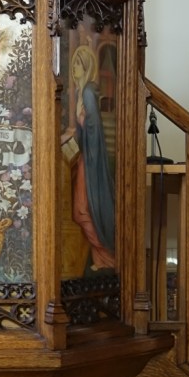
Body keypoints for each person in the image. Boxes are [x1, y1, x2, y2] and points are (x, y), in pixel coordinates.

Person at [68, 44, 116, 272]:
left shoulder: (88, 92)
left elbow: (93, 126)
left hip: (91, 159)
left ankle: (108, 257)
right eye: (74, 63)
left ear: (86, 67)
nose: (74, 68)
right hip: (86, 157)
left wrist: (85, 149)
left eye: (78, 64)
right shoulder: (82, 92)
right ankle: (101, 259)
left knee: (82, 211)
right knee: (83, 210)